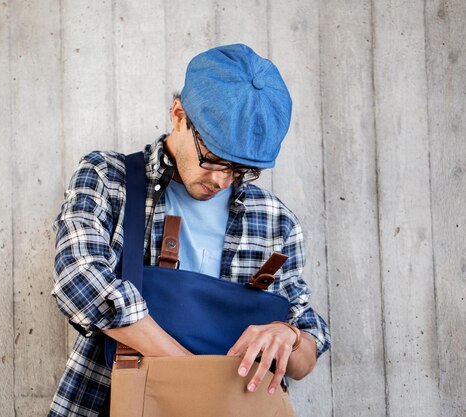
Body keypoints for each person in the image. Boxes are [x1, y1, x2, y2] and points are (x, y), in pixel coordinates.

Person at [48, 44, 331, 417]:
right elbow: (78, 281)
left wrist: (290, 336)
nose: (220, 180)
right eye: (212, 159)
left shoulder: (276, 221)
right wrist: (192, 381)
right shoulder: (109, 178)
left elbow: (306, 349)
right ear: (179, 114)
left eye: (240, 170)